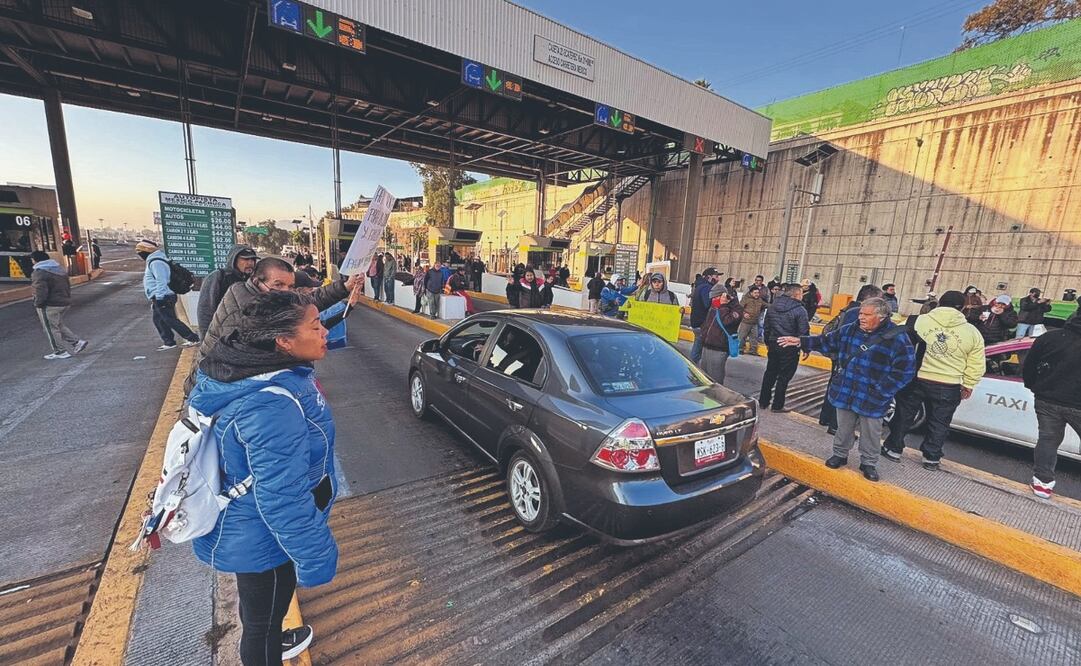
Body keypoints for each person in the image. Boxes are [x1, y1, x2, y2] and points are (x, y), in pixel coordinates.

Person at [189, 290, 338, 665]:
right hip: (263, 535)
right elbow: (282, 495)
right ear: (283, 342)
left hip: (248, 525)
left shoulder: (246, 373)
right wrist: (315, 558)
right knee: (262, 627)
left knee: (259, 615)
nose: (325, 333)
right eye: (315, 326)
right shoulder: (271, 403)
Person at [778, 298, 915, 482]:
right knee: (843, 427)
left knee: (871, 433)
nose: (861, 317)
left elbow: (905, 371)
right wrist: (801, 342)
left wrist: (882, 391)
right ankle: (840, 454)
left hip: (873, 397)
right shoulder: (851, 328)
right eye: (860, 313)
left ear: (881, 317)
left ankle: (868, 462)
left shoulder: (897, 338)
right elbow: (826, 341)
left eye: (866, 314)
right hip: (846, 389)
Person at [186, 257, 361, 395]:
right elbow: (233, 369)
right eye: (278, 285)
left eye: (290, 286)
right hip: (213, 387)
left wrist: (344, 287)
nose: (285, 291)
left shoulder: (269, 301)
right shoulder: (244, 312)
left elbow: (307, 303)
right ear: (256, 282)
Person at [882, 290, 985, 470]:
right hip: (949, 384)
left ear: (939, 304)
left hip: (916, 379)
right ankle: (931, 458)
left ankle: (893, 449)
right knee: (940, 422)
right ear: (963, 308)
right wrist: (968, 384)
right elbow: (976, 363)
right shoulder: (972, 332)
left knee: (904, 415)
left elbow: (895, 341)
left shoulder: (917, 321)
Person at [1023, 313, 1081, 499]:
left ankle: (1042, 483)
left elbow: (1029, 367)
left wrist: (1034, 387)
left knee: (1048, 440)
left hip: (1047, 399)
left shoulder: (1049, 338)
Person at [819, 285, 882, 434]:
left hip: (842, 354)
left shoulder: (848, 309)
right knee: (846, 389)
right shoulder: (858, 313)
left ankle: (825, 418)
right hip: (851, 357)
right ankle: (836, 426)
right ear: (869, 298)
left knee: (835, 384)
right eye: (879, 298)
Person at [136, 239, 200, 351]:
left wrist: (160, 297)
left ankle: (193, 338)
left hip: (164, 296)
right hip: (158, 296)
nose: (139, 254)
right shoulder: (155, 260)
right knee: (159, 320)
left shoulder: (157, 262)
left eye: (140, 251)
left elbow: (162, 281)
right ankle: (169, 342)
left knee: (170, 319)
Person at [759, 283, 810, 413]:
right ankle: (777, 405)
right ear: (797, 294)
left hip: (774, 343)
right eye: (801, 293)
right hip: (790, 346)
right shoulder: (800, 310)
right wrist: (806, 347)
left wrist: (768, 342)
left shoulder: (772, 306)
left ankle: (763, 401)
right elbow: (803, 331)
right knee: (784, 376)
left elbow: (766, 326)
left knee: (770, 372)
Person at [30, 250, 87, 360]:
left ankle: (60, 351)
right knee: (58, 325)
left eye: (32, 259)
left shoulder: (40, 272)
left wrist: (38, 303)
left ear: (36, 260)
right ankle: (76, 342)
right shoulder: (59, 269)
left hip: (50, 304)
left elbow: (40, 290)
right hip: (63, 302)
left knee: (51, 329)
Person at [197, 245, 258, 332]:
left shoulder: (254, 280)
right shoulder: (218, 277)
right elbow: (205, 311)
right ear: (234, 260)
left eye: (252, 260)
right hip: (222, 334)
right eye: (245, 259)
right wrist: (205, 338)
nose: (250, 263)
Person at [700, 285, 743, 384]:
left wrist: (723, 306)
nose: (713, 300)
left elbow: (727, 322)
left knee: (715, 381)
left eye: (715, 298)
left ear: (723, 295)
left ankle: (714, 399)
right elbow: (708, 322)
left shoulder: (736, 308)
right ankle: (705, 398)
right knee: (704, 380)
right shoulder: (714, 306)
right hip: (706, 346)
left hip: (719, 348)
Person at [689, 267, 722, 363]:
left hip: (698, 322)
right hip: (701, 323)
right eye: (716, 276)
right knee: (697, 351)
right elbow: (707, 304)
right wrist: (718, 301)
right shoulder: (706, 288)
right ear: (709, 277)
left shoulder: (701, 286)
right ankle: (692, 370)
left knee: (698, 348)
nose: (718, 279)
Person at [737, 286, 767, 356]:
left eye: (758, 293)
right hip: (746, 322)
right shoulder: (746, 299)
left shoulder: (760, 300)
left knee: (754, 337)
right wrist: (744, 314)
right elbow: (739, 308)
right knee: (742, 336)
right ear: (751, 293)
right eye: (755, 293)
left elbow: (766, 305)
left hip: (754, 322)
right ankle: (740, 349)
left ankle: (753, 351)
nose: (757, 294)